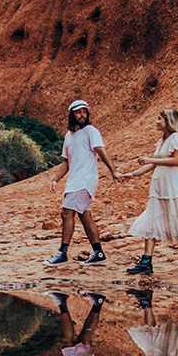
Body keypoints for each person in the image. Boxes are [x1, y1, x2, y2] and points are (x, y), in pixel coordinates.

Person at [120, 107, 178, 276]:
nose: (156, 122)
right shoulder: (162, 140)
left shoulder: (176, 137)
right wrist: (133, 174)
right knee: (152, 218)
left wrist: (150, 159)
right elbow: (154, 164)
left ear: (168, 121)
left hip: (172, 186)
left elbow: (176, 161)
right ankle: (146, 261)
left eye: (159, 119)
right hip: (159, 186)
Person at [46, 99, 120, 266]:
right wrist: (55, 179)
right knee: (85, 215)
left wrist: (113, 171)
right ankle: (99, 253)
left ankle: (62, 253)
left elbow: (101, 151)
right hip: (74, 180)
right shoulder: (68, 136)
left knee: (67, 213)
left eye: (84, 112)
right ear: (72, 115)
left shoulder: (91, 131)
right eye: (78, 112)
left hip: (85, 180)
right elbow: (66, 162)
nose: (82, 115)